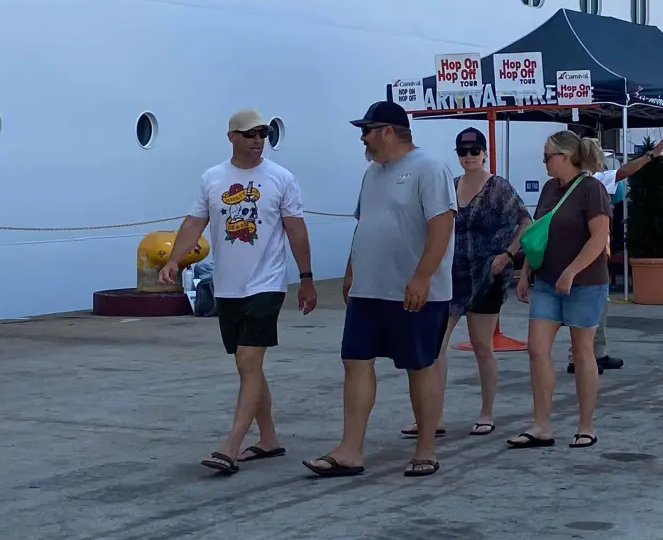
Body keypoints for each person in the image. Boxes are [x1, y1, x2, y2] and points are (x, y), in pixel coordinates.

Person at [159, 108, 316, 475]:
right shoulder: (212, 179)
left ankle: (230, 446)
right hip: (228, 288)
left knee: (248, 362)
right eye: (250, 134)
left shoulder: (281, 178)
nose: (258, 140)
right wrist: (174, 261)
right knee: (248, 367)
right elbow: (194, 222)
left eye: (262, 133)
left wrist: (306, 278)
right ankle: (269, 438)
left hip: (267, 283)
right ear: (232, 137)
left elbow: (296, 230)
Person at [304, 100, 455, 479]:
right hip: (369, 290)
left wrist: (422, 275)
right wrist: (351, 269)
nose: (363, 140)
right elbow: (365, 224)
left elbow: (441, 226)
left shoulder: (429, 169)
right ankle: (350, 450)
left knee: (419, 367)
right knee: (355, 361)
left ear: (388, 131)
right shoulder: (372, 174)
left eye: (366, 132)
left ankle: (425, 450)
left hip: (414, 291)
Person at [400, 127, 530, 439]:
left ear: (484, 153)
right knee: (436, 345)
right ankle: (433, 416)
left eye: (474, 151)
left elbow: (526, 220)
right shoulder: (452, 185)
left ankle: (487, 412)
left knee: (482, 346)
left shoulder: (498, 188)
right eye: (463, 152)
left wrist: (508, 256)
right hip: (452, 274)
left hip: (487, 275)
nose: (469, 157)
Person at [509, 131, 611, 450]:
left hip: (585, 283)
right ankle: (541, 426)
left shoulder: (592, 189)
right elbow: (538, 233)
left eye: (547, 156)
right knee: (537, 348)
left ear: (566, 158)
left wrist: (572, 270)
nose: (544, 162)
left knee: (582, 352)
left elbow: (599, 237)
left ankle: (586, 426)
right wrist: (525, 272)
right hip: (547, 281)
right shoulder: (550, 189)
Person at [565, 134, 663, 376]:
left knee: (591, 305)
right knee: (592, 306)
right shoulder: (596, 180)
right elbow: (625, 171)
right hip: (593, 252)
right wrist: (650, 155)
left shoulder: (572, 181)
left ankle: (594, 353)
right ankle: (582, 356)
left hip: (579, 251)